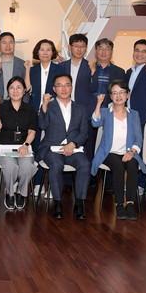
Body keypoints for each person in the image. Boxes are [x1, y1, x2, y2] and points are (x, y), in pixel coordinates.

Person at [90, 80, 146, 220]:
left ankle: (131, 204)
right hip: (109, 152)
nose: (118, 96)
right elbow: (95, 123)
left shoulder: (134, 114)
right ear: (110, 96)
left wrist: (132, 152)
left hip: (129, 152)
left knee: (133, 165)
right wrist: (98, 103)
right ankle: (119, 204)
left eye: (122, 92)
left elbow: (138, 138)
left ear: (127, 95)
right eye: (114, 93)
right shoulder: (105, 112)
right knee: (118, 166)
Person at [37, 74, 90, 220]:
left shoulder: (80, 108)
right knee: (56, 164)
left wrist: (73, 144)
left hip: (73, 148)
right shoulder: (49, 106)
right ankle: (58, 203)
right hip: (52, 148)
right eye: (59, 85)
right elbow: (42, 125)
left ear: (71, 87)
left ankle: (79, 203)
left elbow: (84, 133)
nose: (64, 88)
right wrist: (44, 106)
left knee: (85, 164)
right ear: (54, 89)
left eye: (67, 85)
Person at [0, 77, 37, 211]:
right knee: (11, 166)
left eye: (19, 88)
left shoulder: (30, 109)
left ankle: (22, 193)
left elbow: (32, 131)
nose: (15, 91)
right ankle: (10, 193)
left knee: (27, 166)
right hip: (4, 147)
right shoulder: (2, 107)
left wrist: (26, 145)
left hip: (23, 147)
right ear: (8, 91)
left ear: (24, 90)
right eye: (12, 88)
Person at [61, 34, 97, 159]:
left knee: (86, 149)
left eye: (82, 46)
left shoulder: (91, 66)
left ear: (86, 48)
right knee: (64, 145)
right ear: (69, 47)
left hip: (84, 113)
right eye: (76, 46)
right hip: (64, 112)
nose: (79, 49)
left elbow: (95, 90)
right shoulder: (61, 66)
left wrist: (93, 73)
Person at [25, 39, 64, 113]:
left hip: (53, 111)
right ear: (37, 52)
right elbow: (27, 89)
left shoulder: (60, 70)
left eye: (48, 50)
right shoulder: (32, 70)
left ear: (52, 53)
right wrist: (27, 69)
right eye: (42, 50)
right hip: (34, 110)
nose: (45, 53)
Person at [0, 32, 27, 100]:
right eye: (4, 43)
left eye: (11, 42)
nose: (8, 46)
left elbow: (26, 87)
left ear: (14, 44)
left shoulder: (22, 64)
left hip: (18, 102)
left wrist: (25, 103)